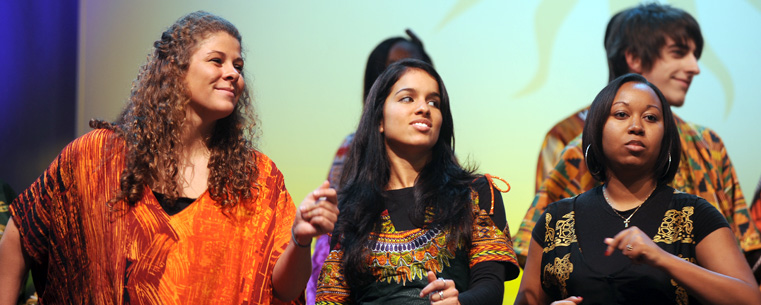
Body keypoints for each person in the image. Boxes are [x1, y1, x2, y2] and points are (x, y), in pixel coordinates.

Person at [0, 11, 338, 304]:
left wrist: (300, 240)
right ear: (175, 69)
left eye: (238, 65)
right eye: (216, 60)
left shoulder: (258, 178)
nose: (234, 73)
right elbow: (20, 237)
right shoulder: (96, 158)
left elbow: (284, 290)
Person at [514, 3, 761, 267]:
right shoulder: (573, 144)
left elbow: (747, 252)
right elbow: (541, 255)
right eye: (679, 53)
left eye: (695, 55)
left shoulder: (708, 144)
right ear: (634, 58)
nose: (694, 67)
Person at [515, 73, 761, 305]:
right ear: (596, 129)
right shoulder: (555, 220)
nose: (637, 126)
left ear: (666, 138)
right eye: (621, 114)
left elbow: (750, 299)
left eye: (651, 117)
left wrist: (663, 258)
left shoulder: (695, 215)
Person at [314, 59, 520, 305]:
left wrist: (460, 302)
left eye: (434, 102)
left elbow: (491, 287)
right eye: (407, 98)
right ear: (379, 119)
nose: (424, 108)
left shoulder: (475, 193)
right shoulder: (349, 210)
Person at [306, 30, 433, 305]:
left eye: (417, 64)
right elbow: (336, 229)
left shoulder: (443, 156)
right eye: (396, 69)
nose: (408, 73)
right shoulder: (353, 147)